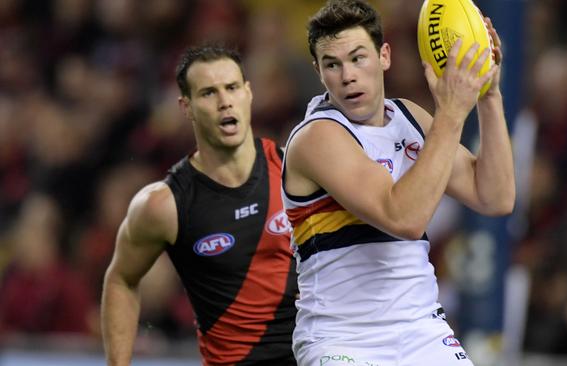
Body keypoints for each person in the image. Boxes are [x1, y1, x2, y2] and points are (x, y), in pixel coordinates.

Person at [281, 1, 515, 365]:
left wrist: (489, 96)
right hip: (344, 340)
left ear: (384, 56)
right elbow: (404, 218)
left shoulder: (408, 117)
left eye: (358, 58)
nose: (347, 76)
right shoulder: (317, 137)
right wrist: (452, 113)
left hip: (422, 331)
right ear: (319, 72)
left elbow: (495, 197)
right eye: (332, 64)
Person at [101, 44, 298, 366]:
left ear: (248, 93)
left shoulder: (296, 171)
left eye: (232, 87)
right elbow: (121, 279)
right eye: (208, 93)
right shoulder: (163, 205)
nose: (224, 101)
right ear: (186, 106)